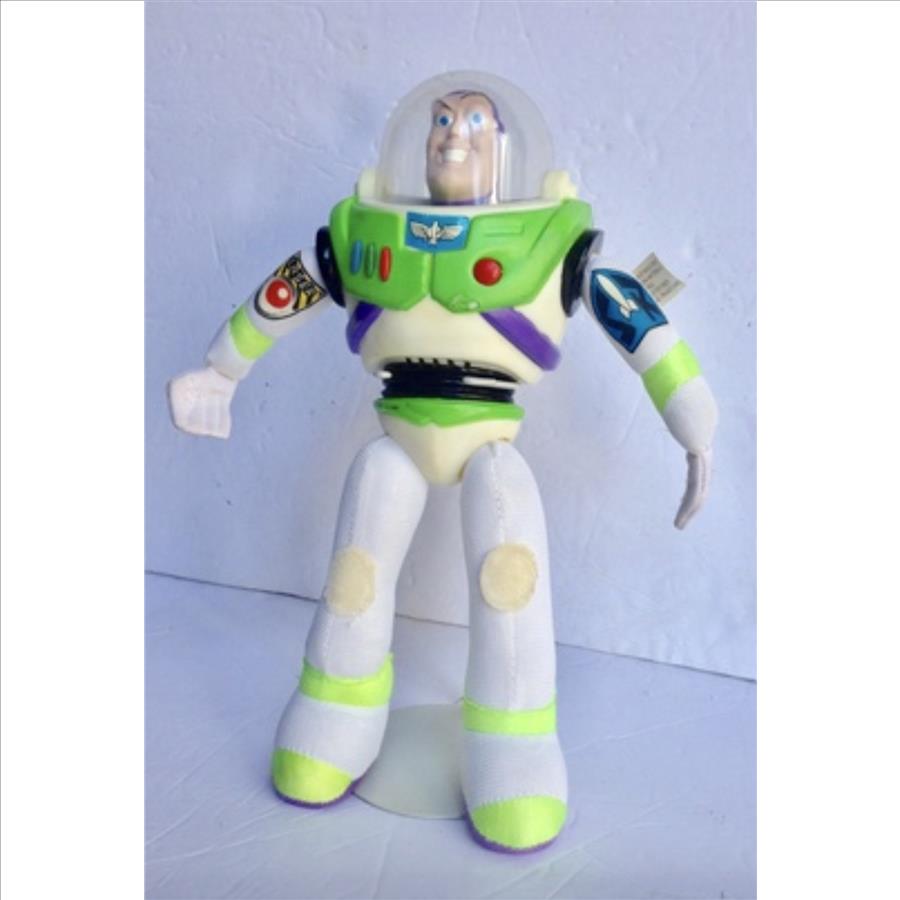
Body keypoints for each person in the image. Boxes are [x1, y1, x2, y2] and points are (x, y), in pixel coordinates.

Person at [168, 73, 717, 853]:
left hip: (492, 442)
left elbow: (634, 315)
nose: (453, 135)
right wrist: (220, 369)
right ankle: (336, 704)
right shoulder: (365, 234)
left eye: (474, 124)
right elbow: (288, 290)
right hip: (397, 432)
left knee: (508, 577)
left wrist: (693, 422)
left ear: (503, 147)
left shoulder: (552, 242)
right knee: (356, 575)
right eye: (440, 121)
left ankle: (514, 736)